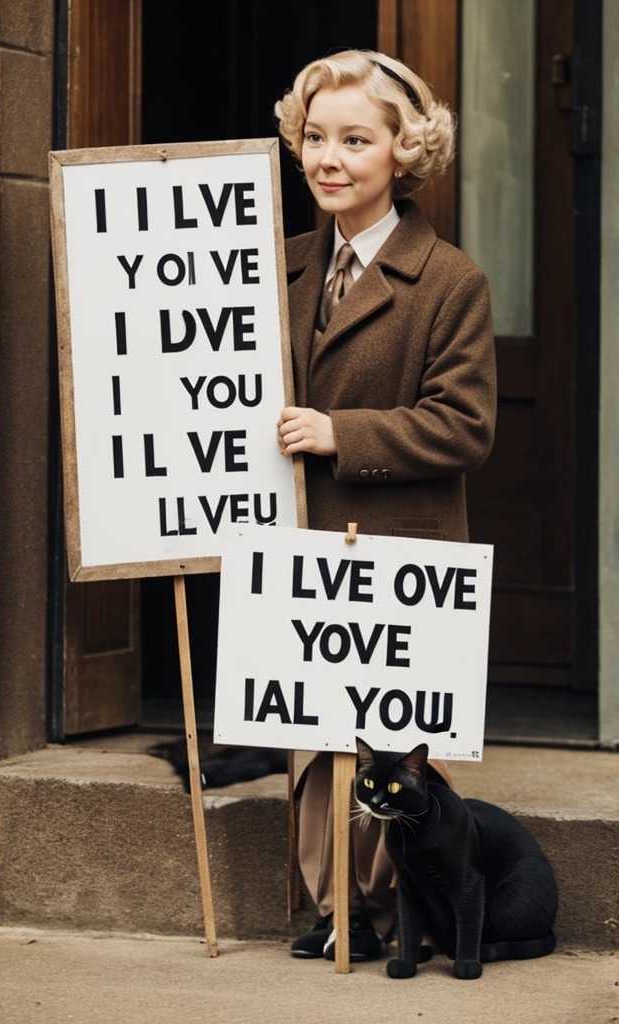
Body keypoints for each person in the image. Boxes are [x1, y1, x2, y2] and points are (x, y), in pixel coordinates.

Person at [273, 50, 497, 961]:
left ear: (404, 152)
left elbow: (465, 426)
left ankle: (390, 912)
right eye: (314, 138)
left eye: (356, 140)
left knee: (386, 743)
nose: (330, 157)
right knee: (307, 736)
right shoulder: (273, 268)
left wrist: (341, 434)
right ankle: (331, 914)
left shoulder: (449, 281)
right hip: (296, 547)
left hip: (396, 551)